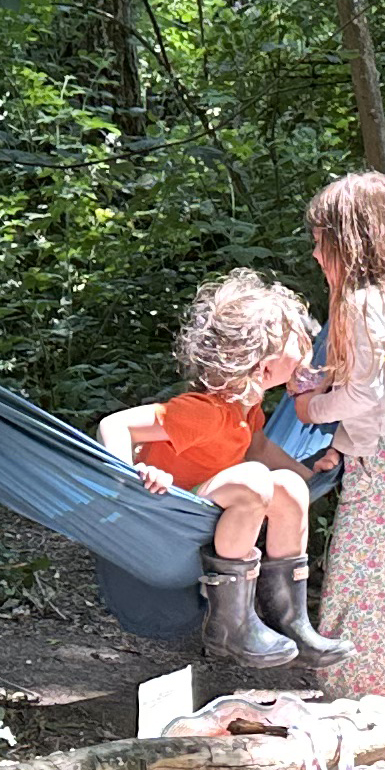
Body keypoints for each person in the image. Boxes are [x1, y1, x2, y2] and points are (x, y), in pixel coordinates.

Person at [96, 269, 353, 669]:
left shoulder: (245, 408)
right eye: (294, 340)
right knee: (253, 480)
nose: (305, 345)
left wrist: (309, 474)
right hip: (170, 515)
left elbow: (259, 447)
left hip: (210, 510)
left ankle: (291, 624)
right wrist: (128, 482)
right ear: (263, 366)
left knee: (287, 486)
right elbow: (116, 424)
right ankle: (230, 627)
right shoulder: (202, 412)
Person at [287, 172, 385, 699]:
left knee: (361, 581)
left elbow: (366, 400)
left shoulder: (359, 306)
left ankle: (362, 695)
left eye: (321, 242)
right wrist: (341, 444)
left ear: (350, 241)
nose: (315, 254)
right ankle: (383, 685)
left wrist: (311, 409)